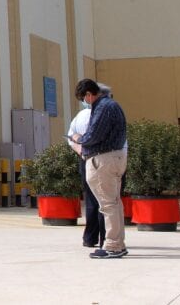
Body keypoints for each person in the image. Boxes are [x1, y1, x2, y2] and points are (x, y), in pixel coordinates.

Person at [71, 79, 128, 259]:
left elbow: (94, 135)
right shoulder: (113, 105)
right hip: (116, 157)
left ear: (89, 94)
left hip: (103, 159)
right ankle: (118, 243)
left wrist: (79, 138)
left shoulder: (103, 107)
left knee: (107, 204)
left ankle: (112, 246)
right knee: (115, 202)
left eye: (84, 98)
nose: (86, 102)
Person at [68, 92, 103, 248]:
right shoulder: (101, 114)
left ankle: (90, 237)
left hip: (85, 159)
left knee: (91, 199)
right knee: (106, 200)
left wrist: (80, 150)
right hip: (102, 159)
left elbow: (71, 137)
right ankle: (106, 238)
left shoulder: (80, 115)